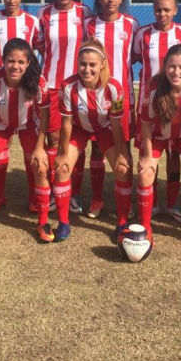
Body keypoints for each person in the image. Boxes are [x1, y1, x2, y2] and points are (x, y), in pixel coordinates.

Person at [0, 39, 51, 243]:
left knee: (41, 167)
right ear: (3, 61)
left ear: (28, 63)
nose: (15, 66)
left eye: (21, 62)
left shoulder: (38, 82)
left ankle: (43, 222)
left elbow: (45, 116)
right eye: (10, 61)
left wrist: (40, 147)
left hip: (29, 126)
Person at [51, 39, 132, 242]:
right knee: (61, 169)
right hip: (79, 127)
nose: (87, 69)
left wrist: (122, 153)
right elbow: (67, 123)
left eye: (92, 65)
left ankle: (122, 222)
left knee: (123, 169)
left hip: (105, 128)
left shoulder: (115, 88)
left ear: (102, 64)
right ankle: (63, 223)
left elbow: (116, 124)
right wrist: (62, 153)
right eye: (83, 64)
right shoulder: (68, 86)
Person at [136, 44, 181, 250]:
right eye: (171, 66)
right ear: (164, 66)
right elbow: (145, 123)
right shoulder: (153, 87)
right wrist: (148, 156)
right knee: (145, 174)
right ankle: (145, 227)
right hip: (158, 136)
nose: (176, 72)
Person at [132, 0, 181, 223]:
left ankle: (171, 203)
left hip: (178, 101)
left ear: (175, 10)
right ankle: (153, 203)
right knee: (149, 153)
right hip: (150, 103)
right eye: (158, 9)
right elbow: (136, 59)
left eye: (167, 9)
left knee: (174, 154)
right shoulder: (142, 34)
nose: (162, 13)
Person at [36, 0, 93, 215]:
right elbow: (39, 45)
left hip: (77, 86)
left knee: (75, 142)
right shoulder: (44, 14)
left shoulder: (84, 13)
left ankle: (74, 193)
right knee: (54, 139)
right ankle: (52, 191)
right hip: (50, 85)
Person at [0, 0, 41, 212]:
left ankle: (34, 197)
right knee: (1, 146)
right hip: (2, 90)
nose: (11, 0)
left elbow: (38, 49)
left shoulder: (32, 22)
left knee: (31, 151)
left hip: (26, 88)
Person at [83, 0, 139, 220]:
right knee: (97, 146)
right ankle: (97, 198)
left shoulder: (132, 24)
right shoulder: (88, 25)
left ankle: (126, 199)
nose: (110, 0)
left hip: (121, 96)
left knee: (122, 145)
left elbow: (135, 55)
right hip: (95, 96)